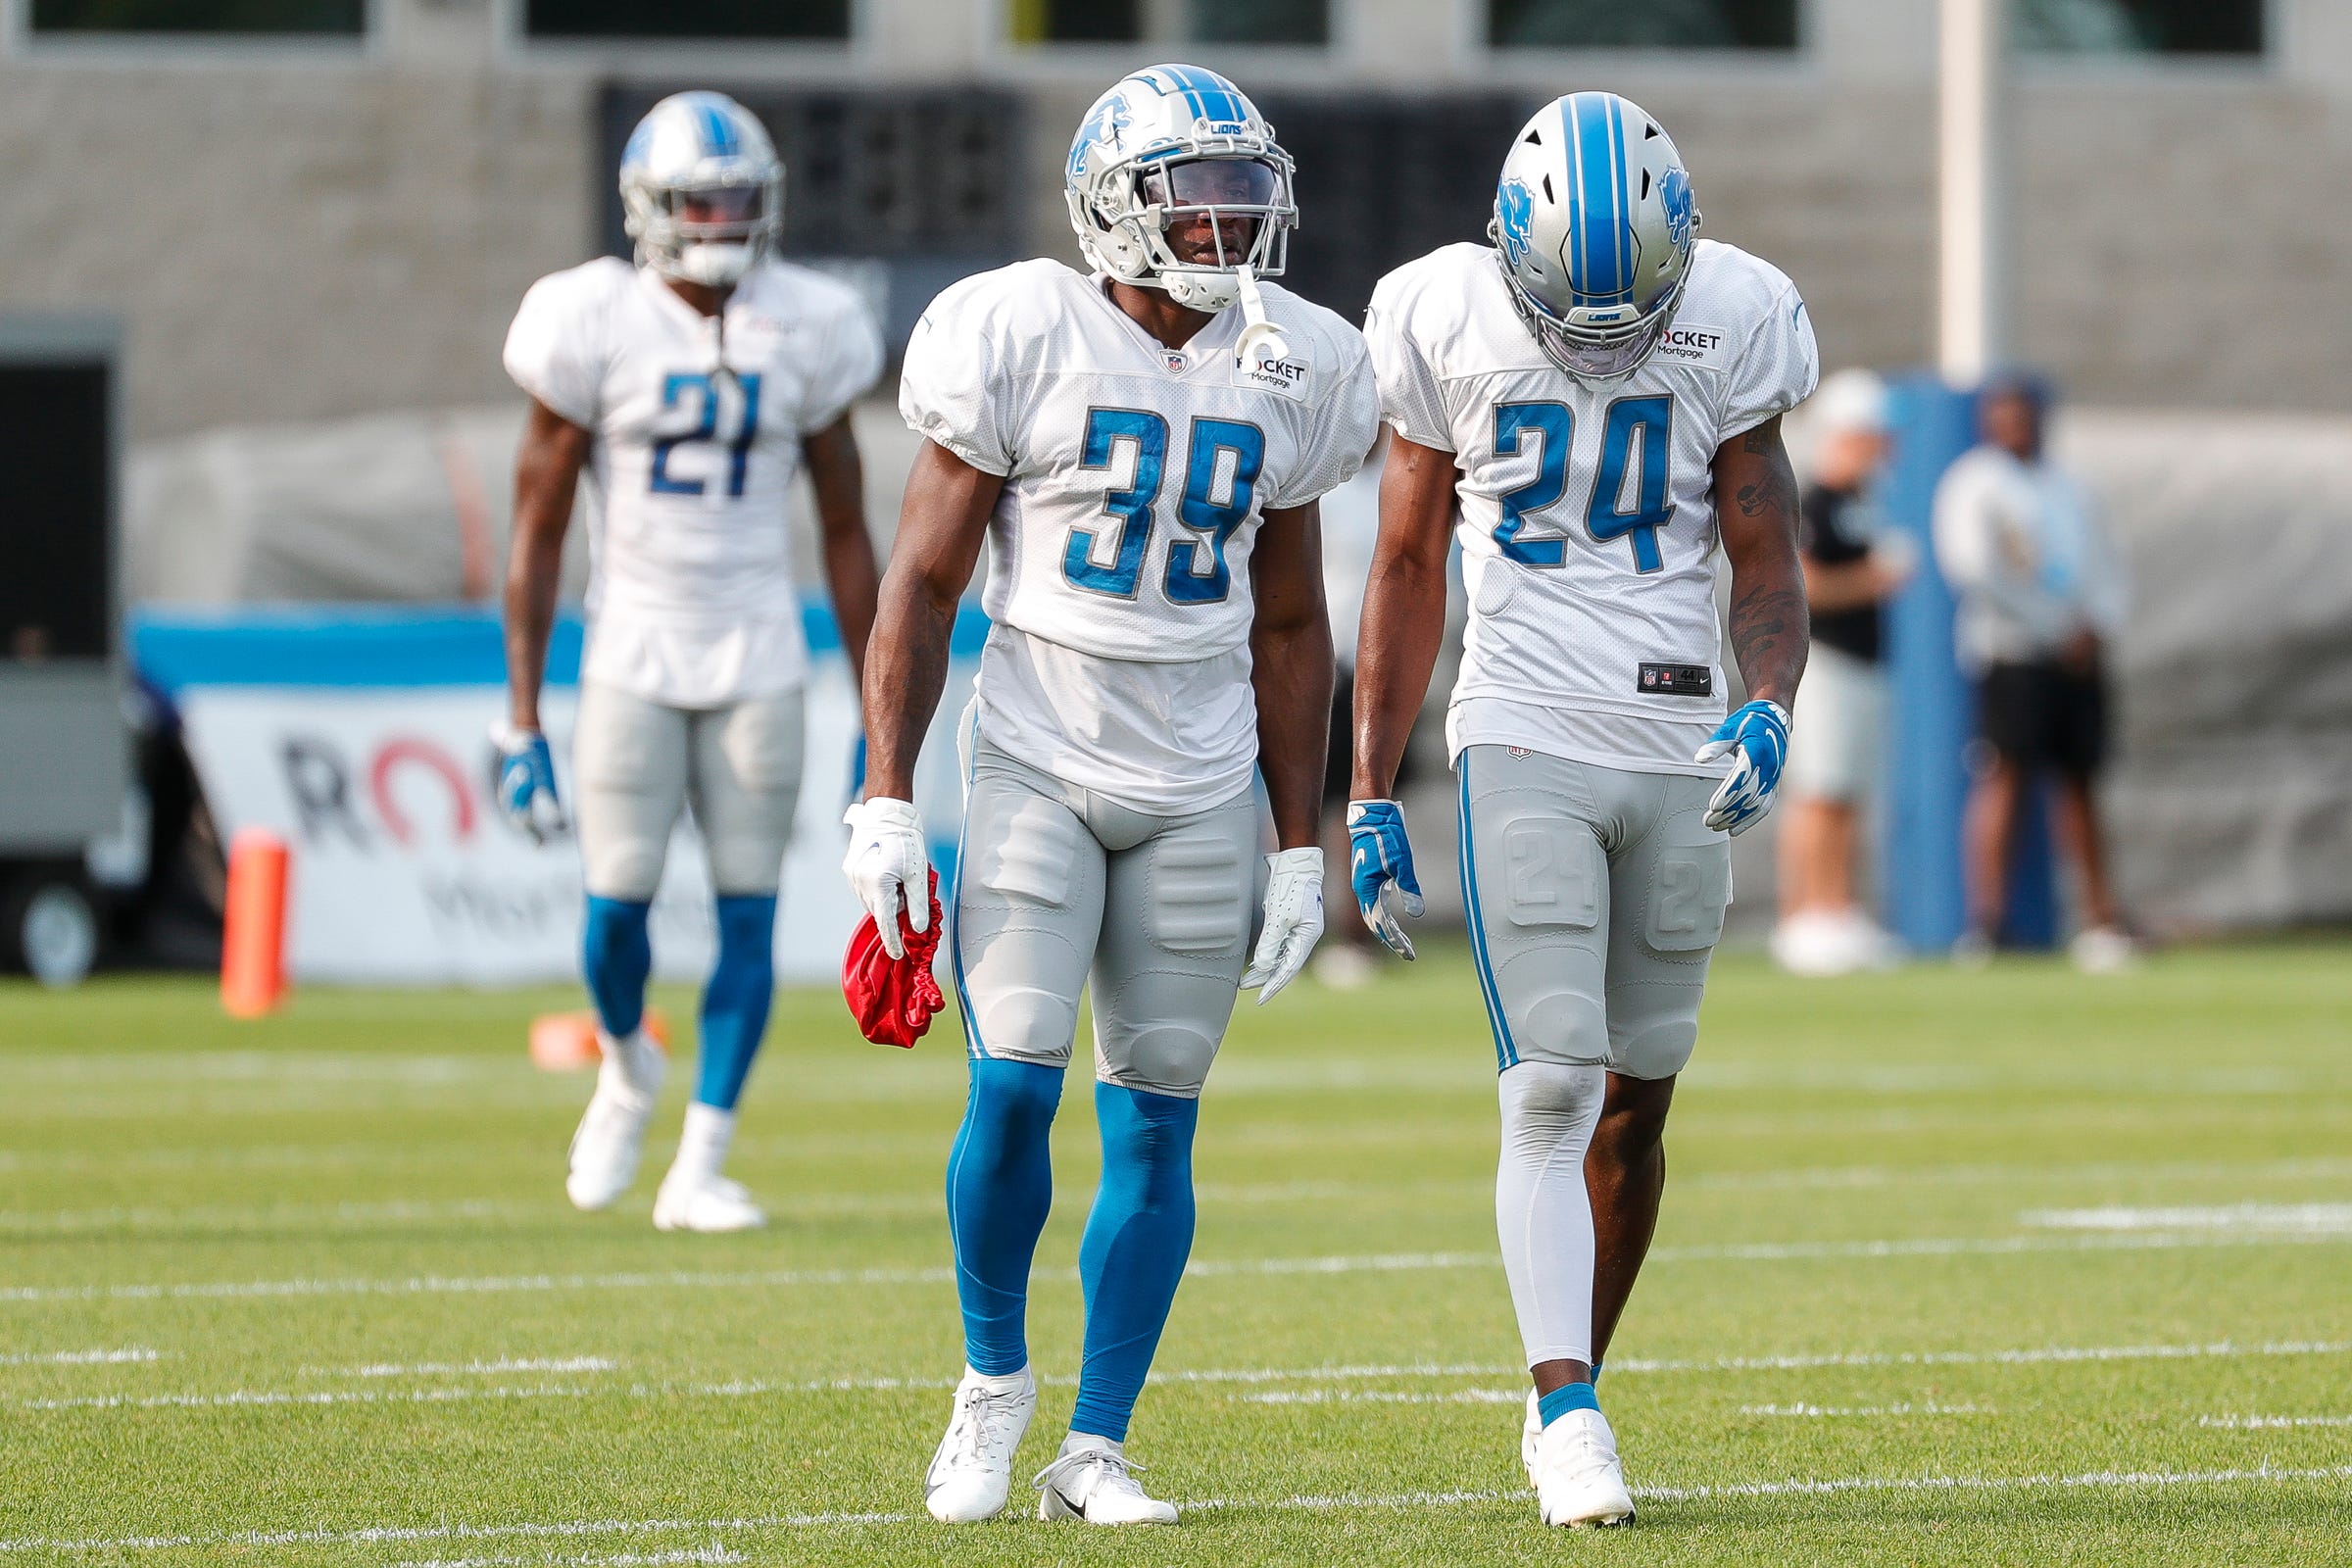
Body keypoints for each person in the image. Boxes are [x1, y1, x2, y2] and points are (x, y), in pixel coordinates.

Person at [843, 65, 1377, 1527]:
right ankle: (990, 1385)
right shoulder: (1019, 324)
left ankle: (1096, 1445)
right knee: (1013, 1090)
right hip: (1036, 753)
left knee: (1155, 1123)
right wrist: (886, 795)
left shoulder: (1301, 359)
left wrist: (1294, 840)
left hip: (1202, 777)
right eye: (1190, 196)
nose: (1225, 224)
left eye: (1241, 191)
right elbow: (926, 582)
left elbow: (1291, 623)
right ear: (1109, 205)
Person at [1348, 92, 1816, 1527]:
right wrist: (1370, 786)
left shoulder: (1737, 311)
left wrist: (1769, 703)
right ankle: (1568, 1411)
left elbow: (1767, 548)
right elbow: (1409, 558)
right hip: (1525, 727)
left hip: (1677, 740)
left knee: (1639, 1099)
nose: (1602, 336)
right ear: (1507, 248)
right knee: (1551, 1079)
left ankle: (1569, 1384)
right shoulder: (1437, 310)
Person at [496, 91, 885, 1231]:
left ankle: (702, 1158)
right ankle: (626, 1064)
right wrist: (518, 717)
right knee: (613, 915)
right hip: (632, 649)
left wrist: (877, 704)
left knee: (751, 916)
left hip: (760, 652)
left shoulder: (805, 321)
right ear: (648, 208)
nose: (724, 220)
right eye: (700, 200)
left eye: (742, 200)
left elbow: (848, 527)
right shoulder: (593, 320)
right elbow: (536, 530)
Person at [1933, 377, 2132, 970]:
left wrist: (2096, 623)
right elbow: (1975, 569)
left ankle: (2101, 921)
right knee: (2005, 776)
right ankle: (1987, 925)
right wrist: (2052, 626)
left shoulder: (2070, 486)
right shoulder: (1976, 484)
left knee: (2080, 782)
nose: (2017, 426)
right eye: (2005, 415)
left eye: (2025, 415)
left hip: (2074, 655)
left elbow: (2105, 564)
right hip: (2013, 652)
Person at [1772, 368, 1909, 976]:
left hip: (1864, 662)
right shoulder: (1818, 501)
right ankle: (1805, 915)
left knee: (1847, 793)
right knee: (1818, 792)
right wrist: (1875, 579)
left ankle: (1838, 908)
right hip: (1824, 661)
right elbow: (1806, 585)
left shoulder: (1862, 502)